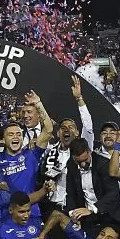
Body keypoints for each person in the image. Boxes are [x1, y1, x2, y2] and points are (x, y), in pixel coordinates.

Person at [0, 91, 55, 219]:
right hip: (5, 215)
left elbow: (48, 130)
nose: (15, 137)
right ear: (3, 140)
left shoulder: (31, 154)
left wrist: (38, 103)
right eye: (10, 134)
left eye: (18, 134)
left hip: (32, 213)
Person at [39, 77, 94, 212]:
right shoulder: (50, 152)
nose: (67, 130)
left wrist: (79, 99)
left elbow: (88, 127)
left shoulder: (84, 149)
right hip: (51, 207)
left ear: (77, 132)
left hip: (76, 207)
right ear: (58, 133)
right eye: (63, 128)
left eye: (71, 127)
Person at [64, 137, 120, 230]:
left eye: (85, 160)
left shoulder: (103, 163)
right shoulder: (71, 165)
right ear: (73, 157)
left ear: (89, 151)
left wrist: (91, 209)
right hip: (88, 219)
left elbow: (113, 194)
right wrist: (73, 213)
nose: (83, 165)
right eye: (79, 162)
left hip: (110, 215)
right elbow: (71, 193)